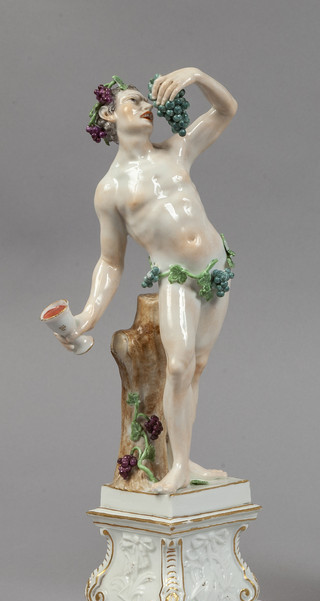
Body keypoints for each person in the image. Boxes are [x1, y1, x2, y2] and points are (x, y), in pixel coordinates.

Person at [60, 68, 238, 494]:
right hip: (176, 277)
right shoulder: (110, 190)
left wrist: (196, 75)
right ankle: (177, 469)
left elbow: (226, 110)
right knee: (177, 366)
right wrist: (87, 315)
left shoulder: (176, 150)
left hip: (217, 269)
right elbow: (110, 261)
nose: (145, 107)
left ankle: (183, 459)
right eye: (133, 100)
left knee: (196, 367)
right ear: (109, 115)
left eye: (146, 101)